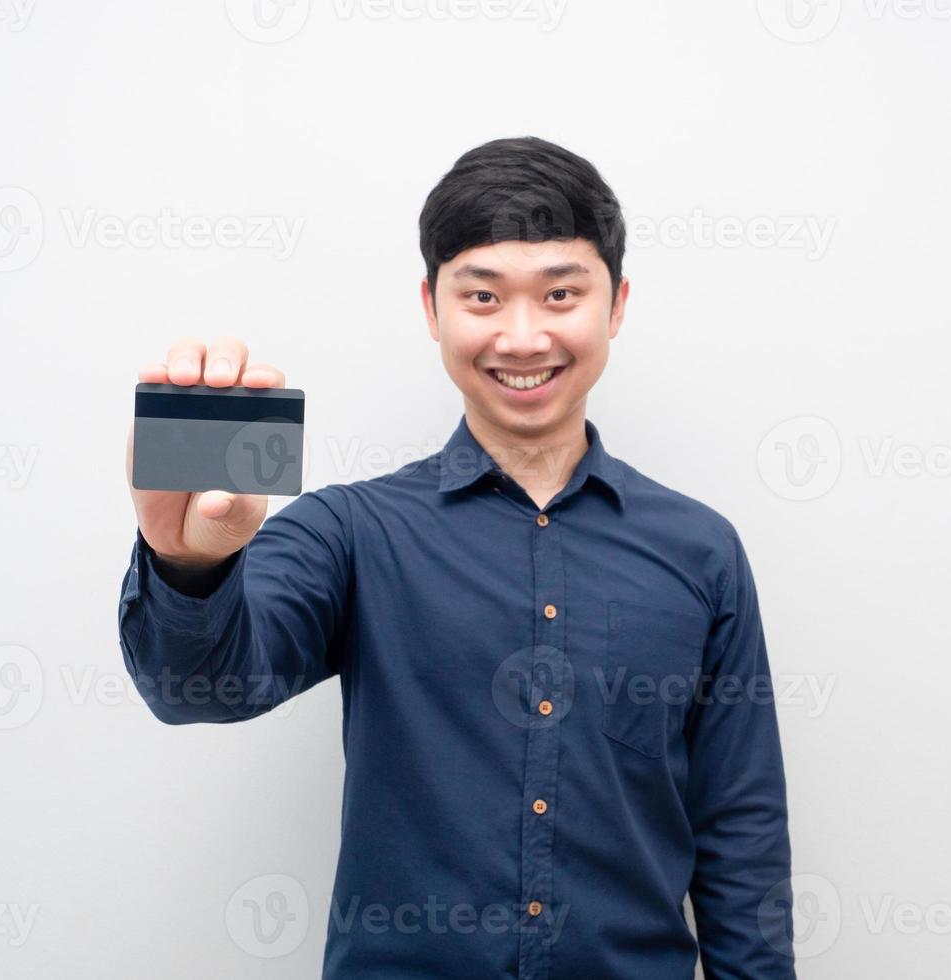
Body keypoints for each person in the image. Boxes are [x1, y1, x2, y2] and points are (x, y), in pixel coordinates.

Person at [118, 135, 796, 979]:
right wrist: (188, 566)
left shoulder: (700, 551)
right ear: (432, 308)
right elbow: (198, 690)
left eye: (559, 294)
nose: (520, 336)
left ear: (615, 306)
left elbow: (739, 828)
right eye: (481, 296)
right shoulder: (350, 531)